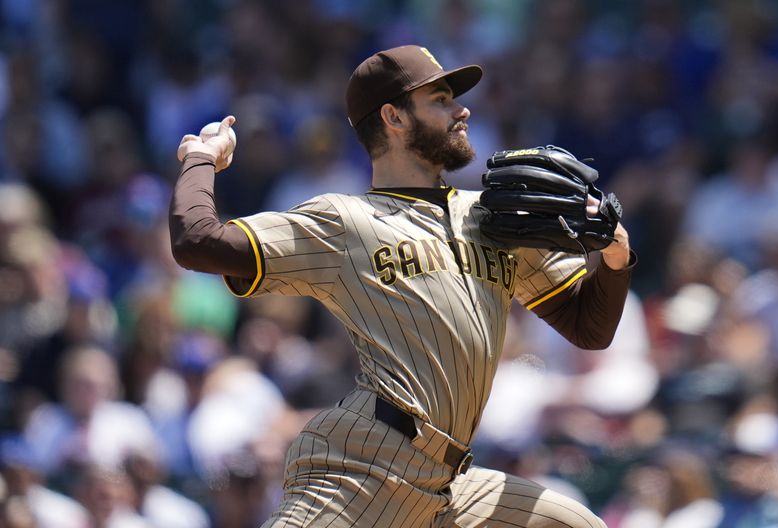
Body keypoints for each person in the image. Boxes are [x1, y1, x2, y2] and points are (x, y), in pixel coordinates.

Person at [169, 44, 634, 527]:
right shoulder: (345, 220)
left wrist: (616, 257)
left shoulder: (495, 220)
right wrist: (200, 158)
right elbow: (197, 241)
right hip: (363, 467)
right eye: (440, 99)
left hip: (452, 483)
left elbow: (589, 328)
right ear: (393, 116)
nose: (462, 109)